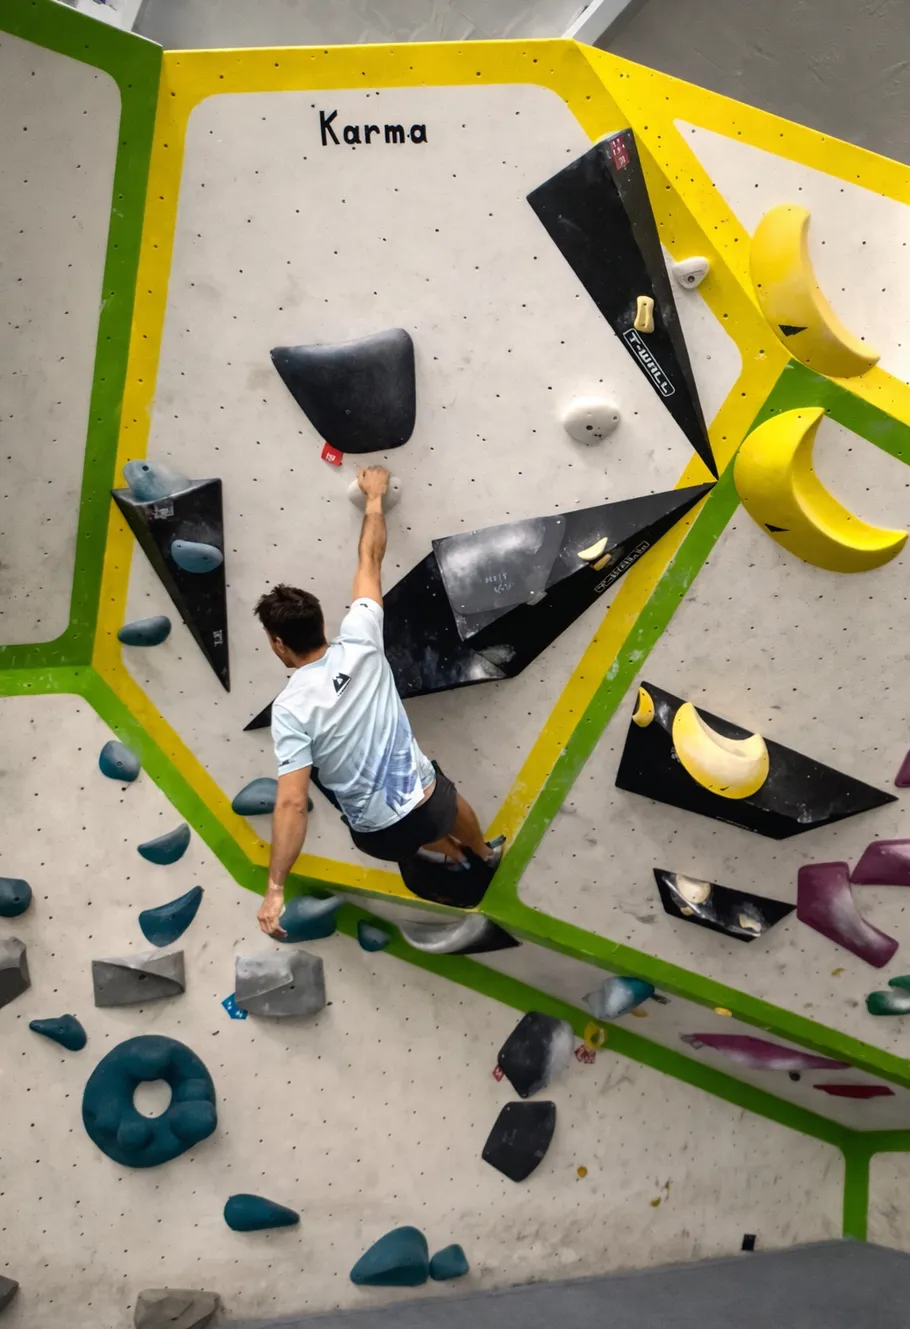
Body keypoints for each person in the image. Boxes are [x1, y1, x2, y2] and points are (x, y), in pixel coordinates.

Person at [253, 464, 501, 938]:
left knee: (417, 827)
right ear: (323, 623)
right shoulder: (361, 637)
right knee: (442, 798)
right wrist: (374, 498)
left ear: (278, 644)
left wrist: (276, 888)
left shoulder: (290, 710)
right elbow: (370, 558)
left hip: (380, 836)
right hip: (430, 803)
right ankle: (483, 855)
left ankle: (452, 858)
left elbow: (291, 805)